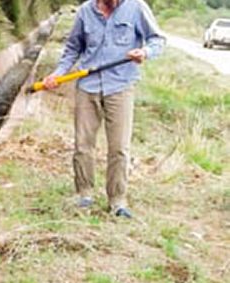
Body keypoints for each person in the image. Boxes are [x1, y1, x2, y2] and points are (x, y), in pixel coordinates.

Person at [43, 0, 165, 218]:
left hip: (121, 86)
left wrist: (145, 52)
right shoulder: (84, 12)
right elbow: (73, 48)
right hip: (87, 86)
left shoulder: (136, 7)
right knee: (83, 145)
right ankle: (84, 194)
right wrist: (58, 73)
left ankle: (117, 201)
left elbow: (158, 40)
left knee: (119, 148)